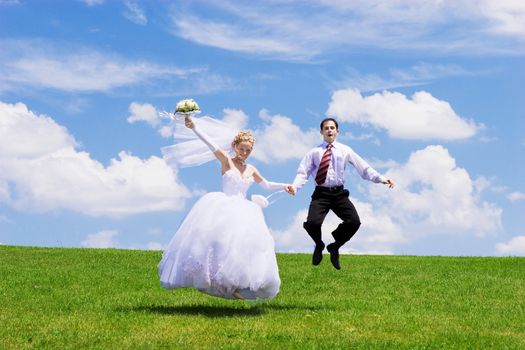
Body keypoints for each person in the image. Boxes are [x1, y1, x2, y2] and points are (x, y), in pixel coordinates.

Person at [158, 114, 291, 300]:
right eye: (242, 148)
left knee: (242, 247)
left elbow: (266, 184)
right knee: (219, 245)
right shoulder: (226, 161)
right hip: (224, 206)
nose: (244, 152)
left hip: (245, 210)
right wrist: (193, 127)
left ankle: (237, 285)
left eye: (248, 150)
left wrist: (285, 186)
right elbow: (211, 144)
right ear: (235, 146)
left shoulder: (251, 169)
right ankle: (215, 281)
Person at [286, 118, 394, 270]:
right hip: (321, 194)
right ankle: (319, 244)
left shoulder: (345, 150)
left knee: (354, 222)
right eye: (326, 128)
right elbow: (302, 172)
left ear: (337, 131)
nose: (329, 130)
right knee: (312, 224)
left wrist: (381, 178)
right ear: (321, 132)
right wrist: (295, 187)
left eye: (332, 128)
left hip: (339, 194)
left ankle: (334, 246)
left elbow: (363, 167)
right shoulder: (314, 152)